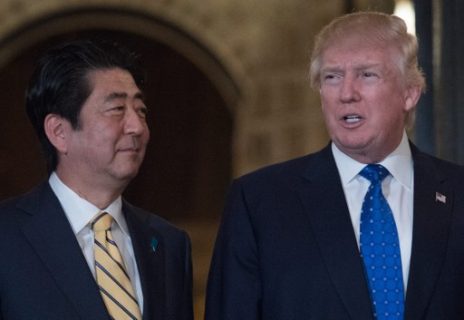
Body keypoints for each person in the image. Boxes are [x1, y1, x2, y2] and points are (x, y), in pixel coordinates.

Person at [205, 11, 464, 320]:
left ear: (409, 93)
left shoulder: (457, 194)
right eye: (332, 77)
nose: (346, 93)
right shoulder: (260, 202)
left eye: (367, 75)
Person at [0, 39, 193, 320]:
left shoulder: (168, 243)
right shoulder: (7, 236)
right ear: (59, 132)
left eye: (141, 110)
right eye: (117, 109)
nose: (138, 127)